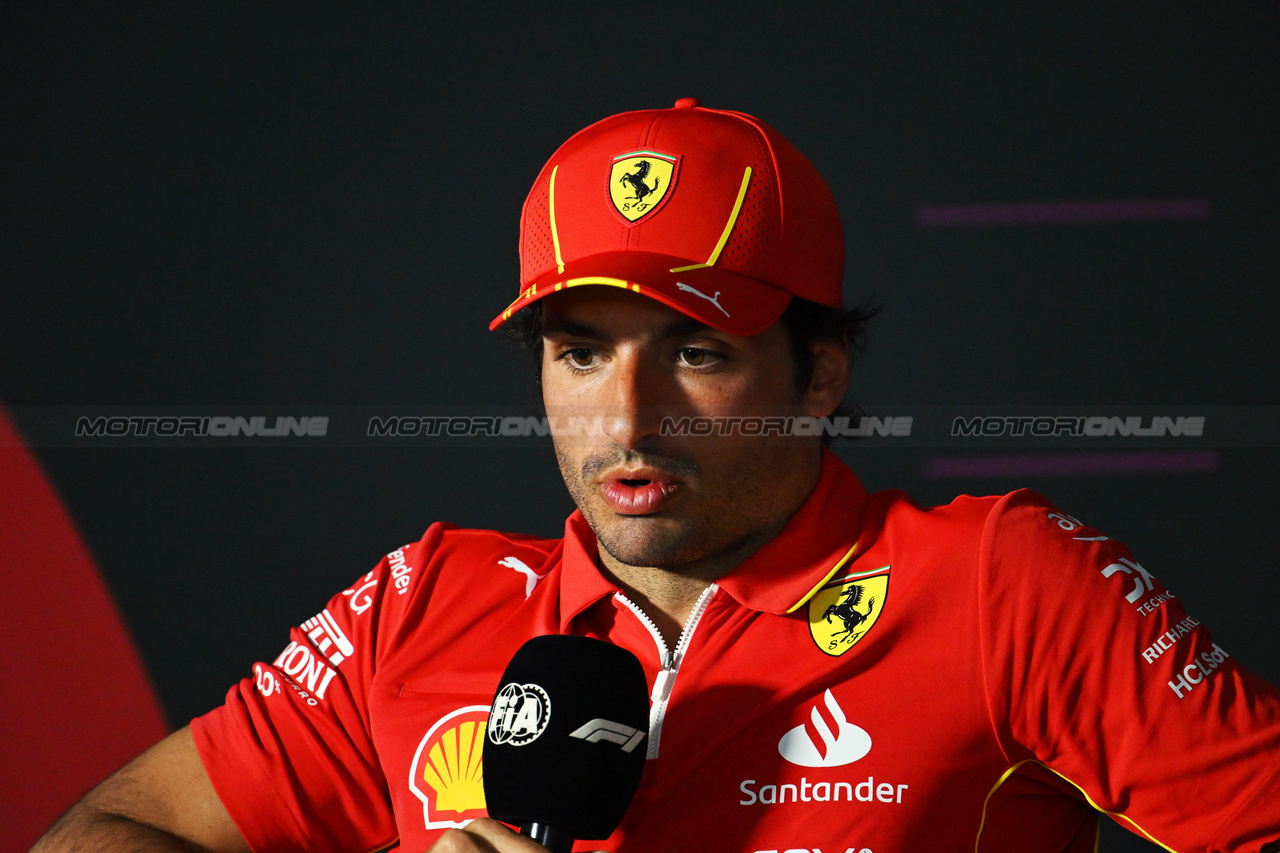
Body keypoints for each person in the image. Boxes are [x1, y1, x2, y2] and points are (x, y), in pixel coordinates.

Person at [32, 99, 1280, 853]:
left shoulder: (1000, 582)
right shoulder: (421, 601)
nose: (624, 418)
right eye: (579, 352)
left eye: (696, 353)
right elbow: (93, 834)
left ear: (821, 372)